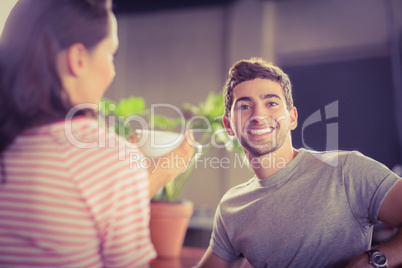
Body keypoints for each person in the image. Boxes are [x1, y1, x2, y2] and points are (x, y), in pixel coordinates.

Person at [0, 0, 194, 267]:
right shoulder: (108, 157)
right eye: (110, 54)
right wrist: (138, 168)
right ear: (78, 59)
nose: (112, 71)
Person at [198, 57, 402, 267]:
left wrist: (375, 260)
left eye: (271, 103)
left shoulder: (346, 170)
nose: (258, 115)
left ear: (292, 117)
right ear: (228, 125)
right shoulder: (231, 207)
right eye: (244, 106)